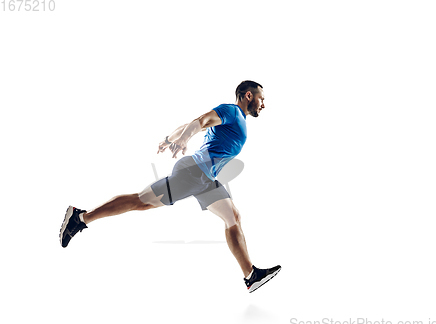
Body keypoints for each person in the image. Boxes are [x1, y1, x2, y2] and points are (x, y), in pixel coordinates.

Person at [59, 80, 281, 293]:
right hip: (193, 173)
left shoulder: (236, 120)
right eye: (262, 98)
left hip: (206, 180)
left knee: (233, 217)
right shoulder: (232, 112)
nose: (264, 104)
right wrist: (184, 139)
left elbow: (189, 126)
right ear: (249, 95)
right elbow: (199, 122)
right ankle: (80, 218)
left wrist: (169, 139)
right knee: (142, 201)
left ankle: (250, 276)